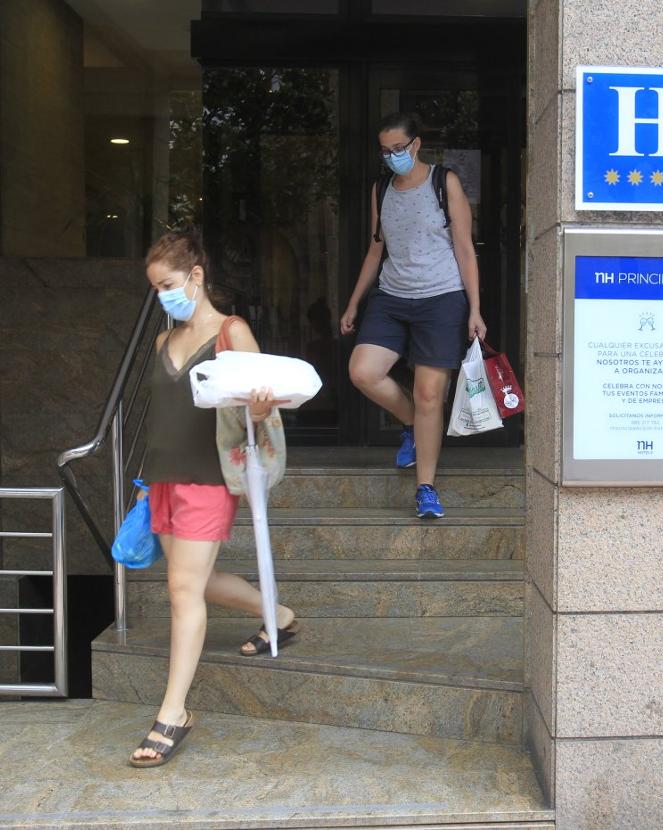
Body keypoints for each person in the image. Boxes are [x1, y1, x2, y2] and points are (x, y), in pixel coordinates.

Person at [129, 227, 299, 768]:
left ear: (196, 276)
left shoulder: (232, 332)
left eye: (169, 284)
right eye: (156, 289)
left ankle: (173, 712)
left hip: (207, 478)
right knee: (193, 581)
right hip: (161, 478)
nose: (163, 297)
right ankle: (281, 614)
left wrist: (258, 408)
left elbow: (264, 413)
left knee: (183, 590)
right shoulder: (162, 342)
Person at [340, 112, 485, 519]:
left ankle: (426, 487)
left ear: (416, 145)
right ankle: (411, 426)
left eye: (398, 149)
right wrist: (355, 302)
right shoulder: (382, 188)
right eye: (385, 151)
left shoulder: (445, 182)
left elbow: (464, 249)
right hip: (392, 296)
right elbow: (375, 249)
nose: (391, 157)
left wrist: (474, 308)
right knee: (363, 372)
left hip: (441, 298)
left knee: (428, 395)